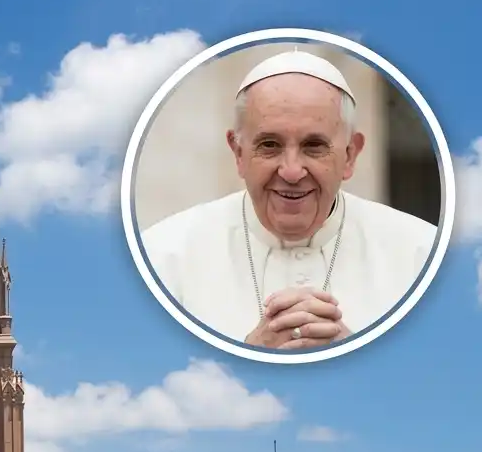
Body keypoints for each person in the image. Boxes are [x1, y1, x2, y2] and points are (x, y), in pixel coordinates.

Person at [140, 49, 438, 350]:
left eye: (314, 145)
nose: (292, 171)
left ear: (350, 155)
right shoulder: (162, 258)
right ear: (238, 152)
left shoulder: (424, 254)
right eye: (269, 145)